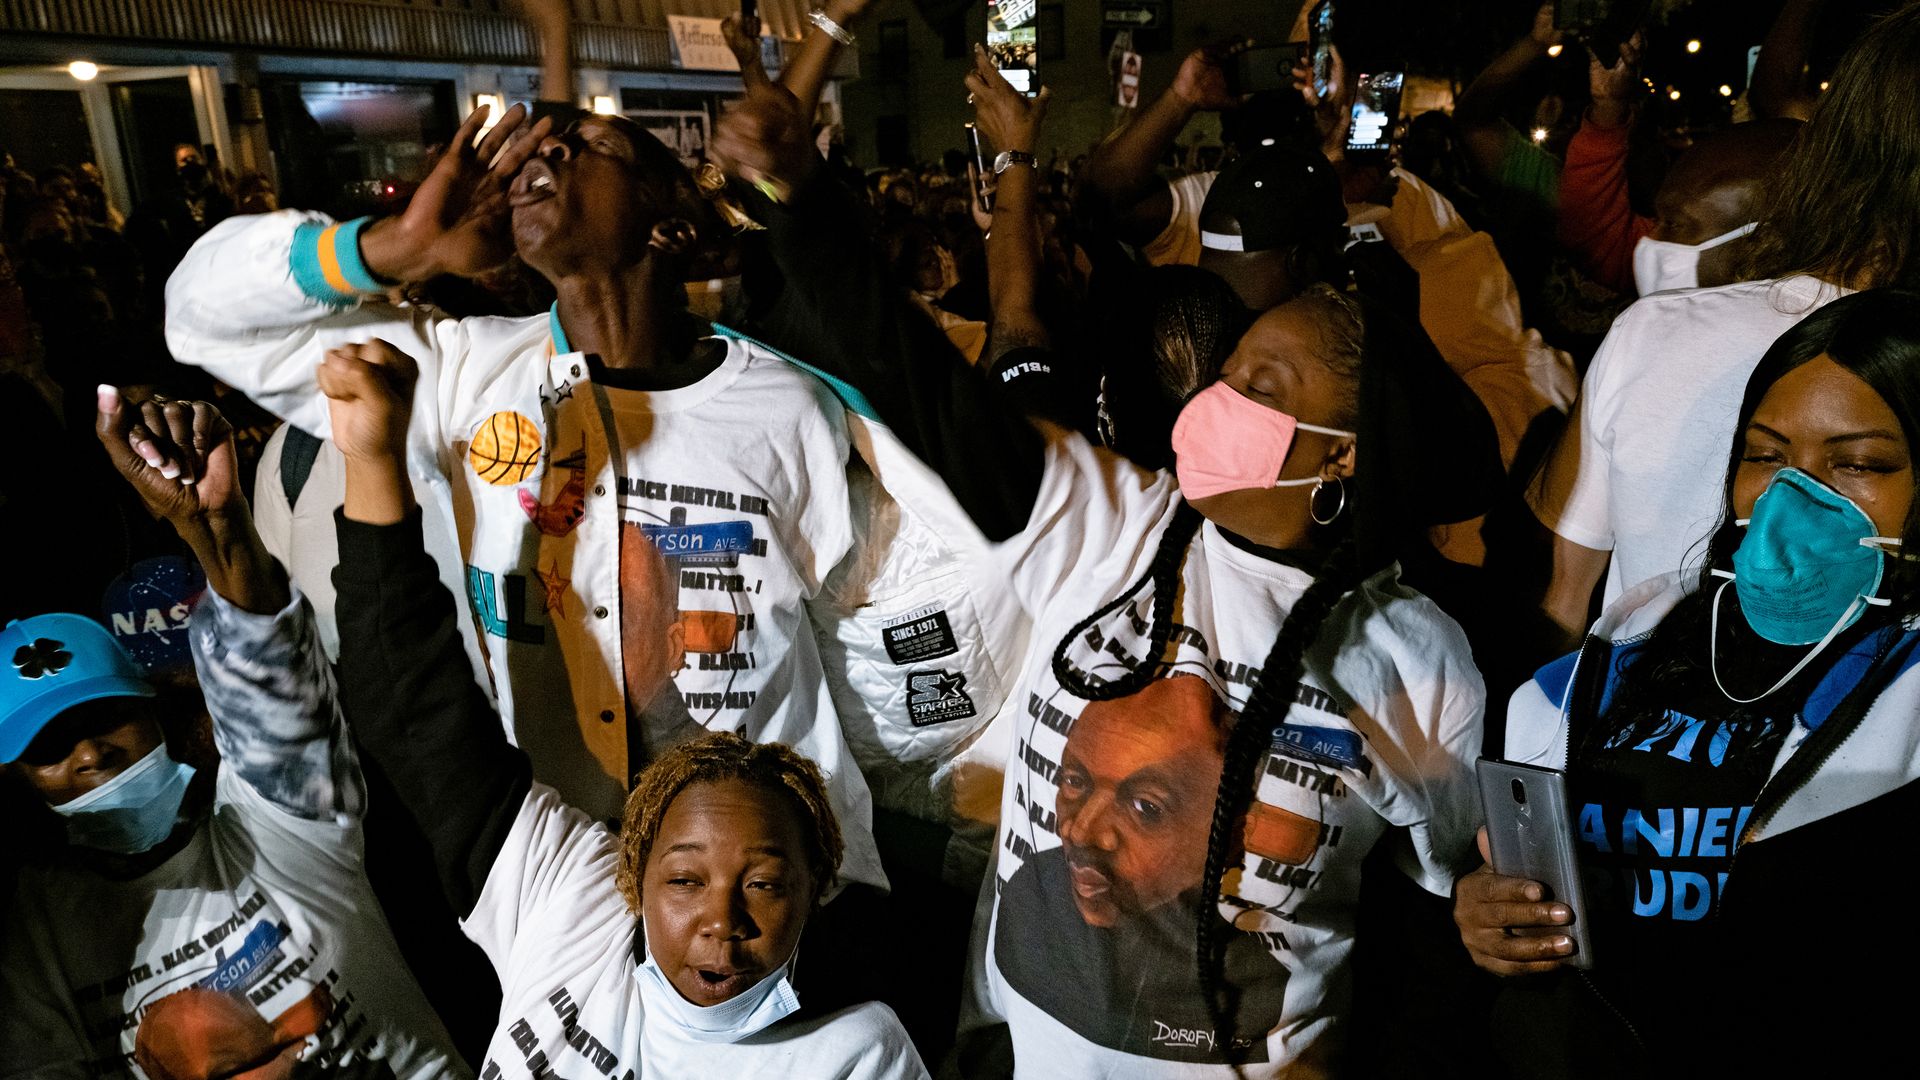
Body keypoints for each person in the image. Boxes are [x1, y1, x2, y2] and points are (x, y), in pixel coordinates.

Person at [714, 56, 1493, 1075]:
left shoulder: (1417, 661)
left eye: (1260, 381)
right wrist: (800, 199)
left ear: (1344, 452)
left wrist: (1478, 905)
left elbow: (1439, 882)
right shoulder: (1116, 525)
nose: (1219, 392)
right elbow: (929, 394)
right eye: (1231, 366)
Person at [315, 339, 927, 1078]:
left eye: (764, 884)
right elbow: (412, 709)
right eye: (683, 880)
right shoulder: (570, 902)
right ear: (632, 874)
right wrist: (371, 460)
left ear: (816, 888)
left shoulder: (853, 1052)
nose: (721, 926)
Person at [1457, 289, 1920, 1077]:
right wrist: (1491, 912)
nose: (1790, 501)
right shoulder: (1626, 650)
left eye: (1859, 464)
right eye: (1766, 456)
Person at [0, 389, 465, 1079]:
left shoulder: (276, 820)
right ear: (18, 781)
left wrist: (217, 525)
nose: (91, 754)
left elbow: (268, 668)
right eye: (51, 748)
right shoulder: (32, 937)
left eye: (106, 719)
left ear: (158, 713)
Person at [1525, 3, 1920, 649]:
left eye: (1858, 464)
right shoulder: (1645, 332)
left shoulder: (1649, 333)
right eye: (1763, 455)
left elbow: (1565, 600)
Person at [1556, 30, 1802, 297]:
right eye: (1659, 221)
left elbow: (1778, 92)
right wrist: (1608, 105)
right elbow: (1592, 229)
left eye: (1672, 224)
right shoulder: (1635, 329)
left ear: (1764, 244)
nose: (1649, 243)